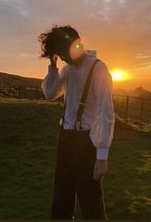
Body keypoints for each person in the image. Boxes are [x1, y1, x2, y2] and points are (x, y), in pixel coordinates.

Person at [38, 24, 115, 219]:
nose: (62, 58)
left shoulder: (99, 69)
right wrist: (53, 66)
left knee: (91, 203)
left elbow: (105, 113)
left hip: (86, 142)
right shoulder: (67, 69)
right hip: (65, 137)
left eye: (62, 53)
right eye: (59, 55)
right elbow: (50, 94)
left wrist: (102, 156)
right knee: (61, 198)